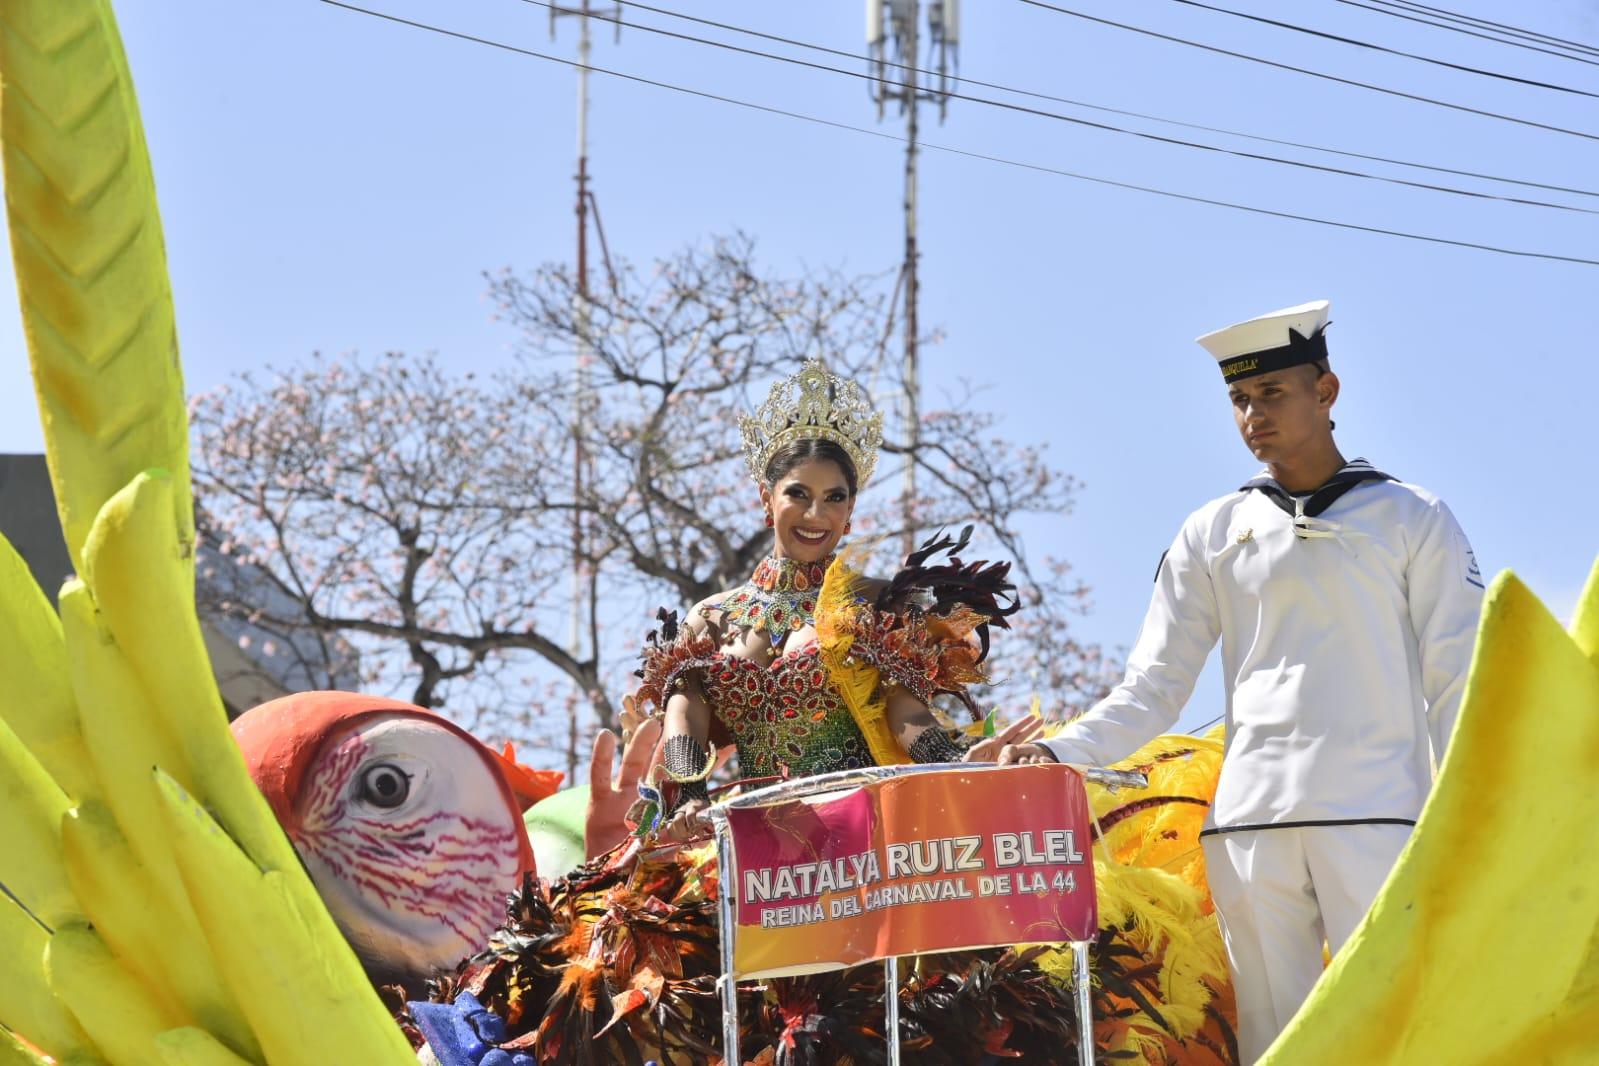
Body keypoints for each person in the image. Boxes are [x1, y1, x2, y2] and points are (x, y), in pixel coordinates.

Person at [999, 299, 1484, 1062]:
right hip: (1249, 827)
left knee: (1398, 1031)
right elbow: (1154, 684)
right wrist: (1061, 752)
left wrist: (1466, 811)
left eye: (1273, 394)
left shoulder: (1410, 515)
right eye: (1238, 400)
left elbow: (1455, 677)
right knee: (1272, 1044)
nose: (1253, 415)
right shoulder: (1211, 530)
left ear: (1325, 392)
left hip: (1379, 817)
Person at [636, 358, 1039, 843]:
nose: (814, 513)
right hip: (748, 842)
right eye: (798, 494)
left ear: (850, 513)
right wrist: (688, 796)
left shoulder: (876, 603)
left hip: (860, 839)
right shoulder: (712, 618)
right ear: (767, 499)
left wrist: (951, 761)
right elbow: (684, 714)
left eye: (834, 498)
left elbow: (903, 711)